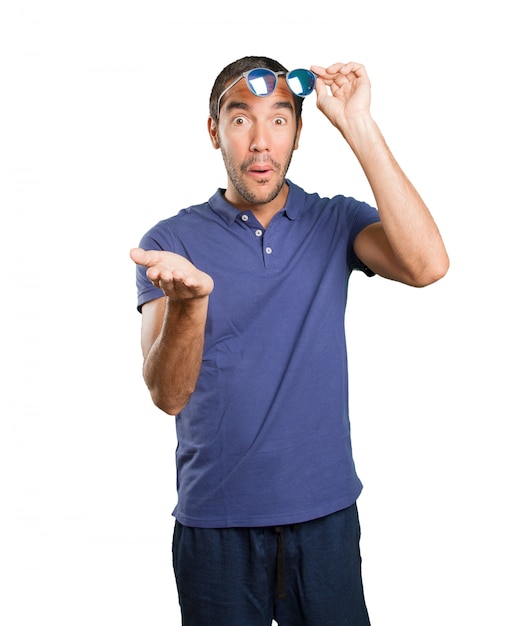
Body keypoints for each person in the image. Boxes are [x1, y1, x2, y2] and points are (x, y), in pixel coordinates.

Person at [130, 56, 449, 626]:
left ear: (299, 133)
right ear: (214, 130)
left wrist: (358, 125)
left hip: (324, 520)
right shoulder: (170, 242)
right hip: (215, 528)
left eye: (279, 120)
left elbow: (427, 265)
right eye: (240, 118)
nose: (260, 142)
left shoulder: (335, 221)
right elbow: (168, 395)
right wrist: (190, 304)